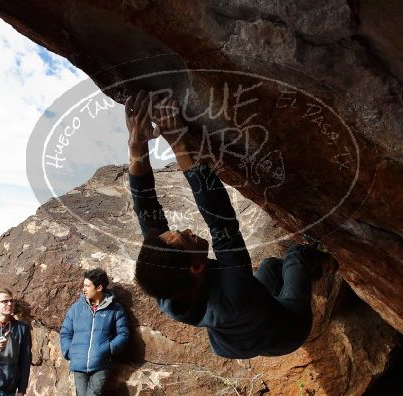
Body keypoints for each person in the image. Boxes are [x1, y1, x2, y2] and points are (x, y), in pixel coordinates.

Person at [125, 91, 325, 359]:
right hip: (287, 329)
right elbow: (221, 220)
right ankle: (328, 260)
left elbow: (147, 210)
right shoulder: (234, 292)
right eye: (185, 238)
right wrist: (179, 142)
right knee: (295, 256)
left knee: (270, 267)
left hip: (234, 344)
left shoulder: (167, 290)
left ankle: (298, 278)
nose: (186, 230)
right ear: (196, 267)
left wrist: (136, 148)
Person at [60, 269, 130, 396]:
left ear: (99, 288)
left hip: (101, 365)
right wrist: (68, 351)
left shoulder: (114, 309)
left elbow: (123, 334)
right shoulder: (76, 308)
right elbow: (65, 332)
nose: (83, 289)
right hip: (79, 365)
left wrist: (108, 349)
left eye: (87, 286)